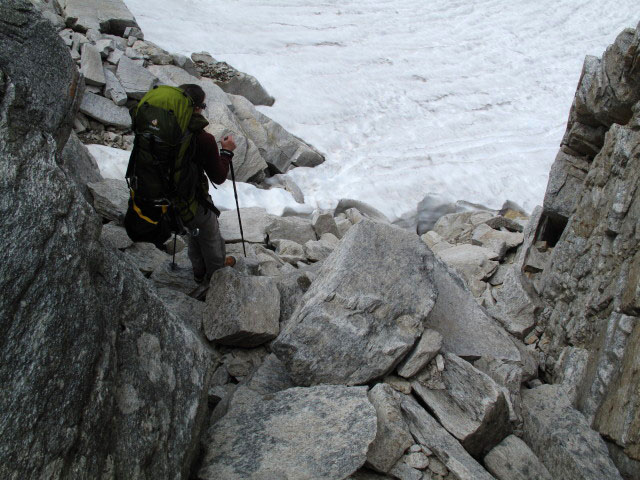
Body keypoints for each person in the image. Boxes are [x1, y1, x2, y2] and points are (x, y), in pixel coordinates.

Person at [178, 84, 237, 286]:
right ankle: (216, 279)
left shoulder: (164, 130)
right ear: (196, 107)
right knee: (210, 237)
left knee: (192, 232)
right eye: (202, 104)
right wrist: (227, 151)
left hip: (167, 197)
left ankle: (198, 271)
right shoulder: (202, 138)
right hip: (193, 198)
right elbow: (219, 176)